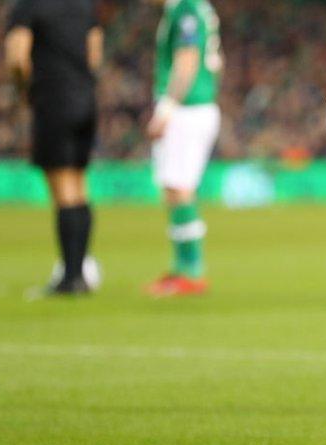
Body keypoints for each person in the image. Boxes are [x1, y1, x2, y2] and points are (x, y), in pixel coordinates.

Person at [5, 0, 103, 295]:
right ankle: (78, 270)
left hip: (53, 99)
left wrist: (24, 92)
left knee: (63, 189)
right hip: (85, 100)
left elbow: (17, 56)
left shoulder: (28, 6)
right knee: (79, 185)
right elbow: (95, 54)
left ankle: (71, 277)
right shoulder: (85, 7)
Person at [145, 0, 222, 297]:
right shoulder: (195, 8)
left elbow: (188, 58)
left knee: (179, 187)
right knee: (173, 188)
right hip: (195, 107)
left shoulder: (186, 9)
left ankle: (191, 271)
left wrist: (167, 107)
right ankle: (181, 268)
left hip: (188, 109)